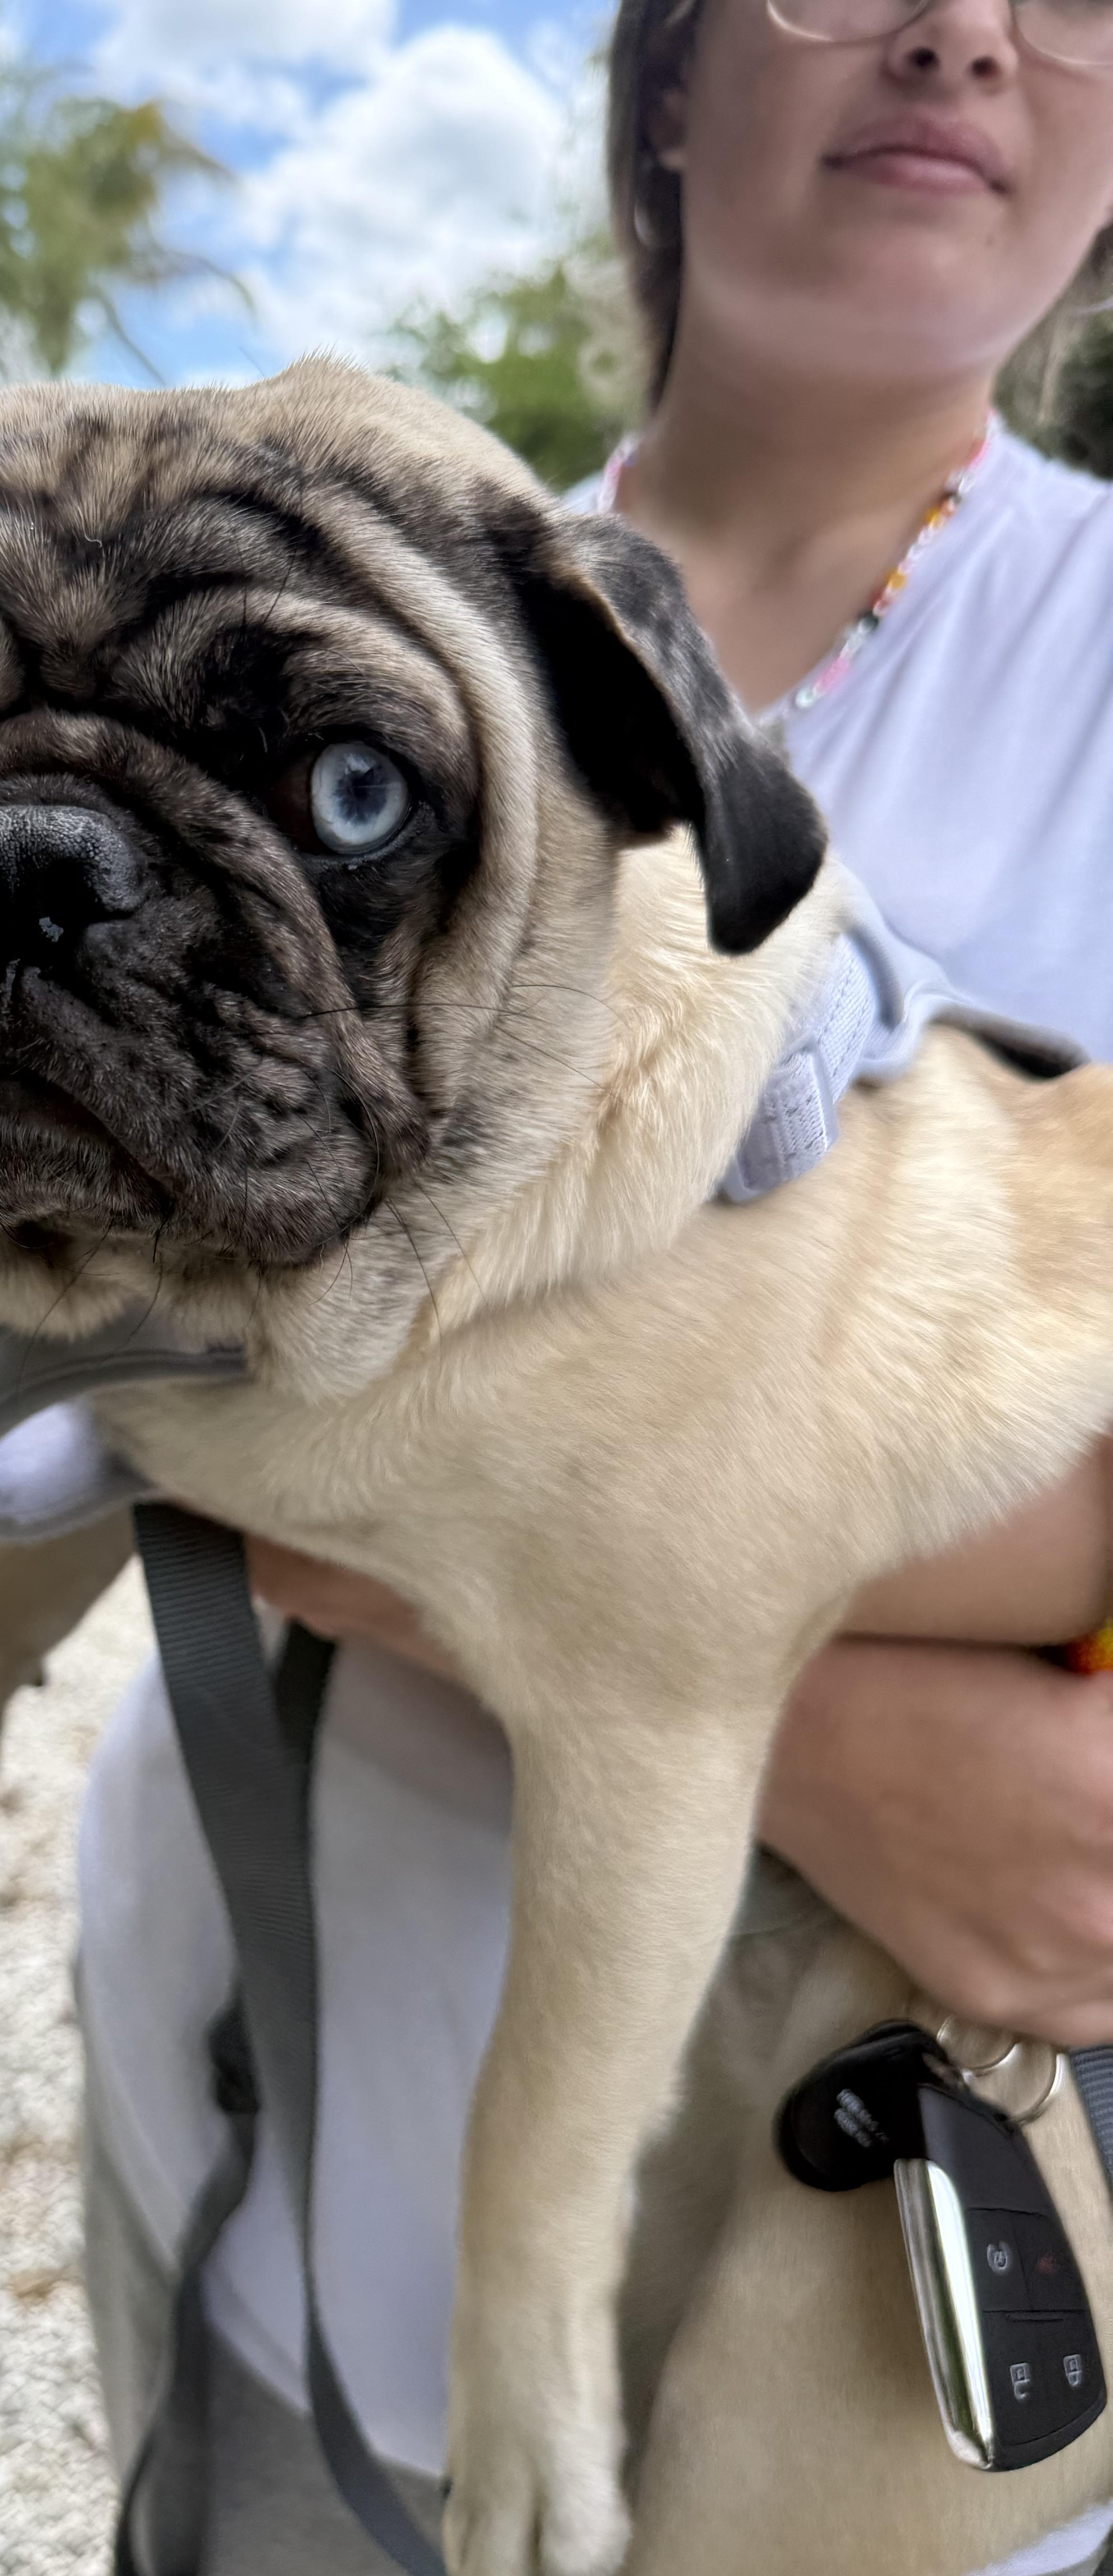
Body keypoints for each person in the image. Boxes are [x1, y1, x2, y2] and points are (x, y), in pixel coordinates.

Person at [72, 0, 1113, 2568]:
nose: (962, 35)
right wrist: (789, 1716)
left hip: (908, 2222)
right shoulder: (323, 594)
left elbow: (213, 1392)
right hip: (284, 2065)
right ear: (661, 82)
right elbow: (60, 1299)